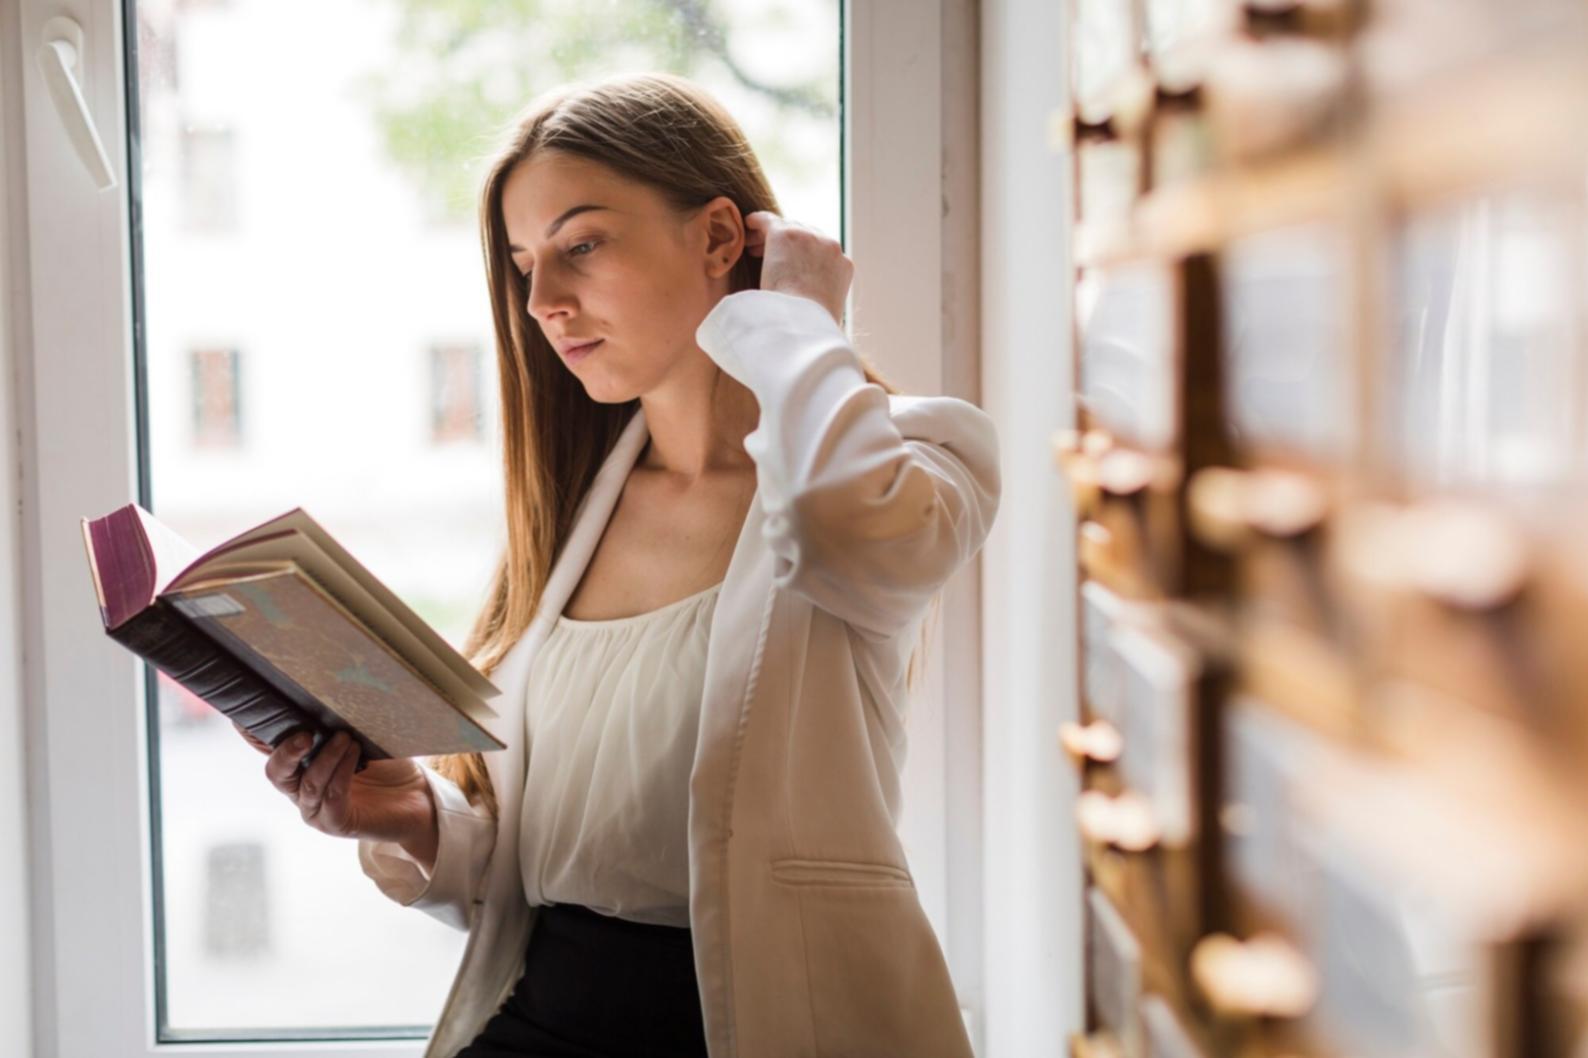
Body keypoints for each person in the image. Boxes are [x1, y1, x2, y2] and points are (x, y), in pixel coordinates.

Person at [235, 71, 1000, 1058]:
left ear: (721, 238)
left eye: (582, 245)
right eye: (523, 264)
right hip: (541, 1021)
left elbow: (835, 523)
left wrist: (802, 325)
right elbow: (568, 875)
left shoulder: (915, 457)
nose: (544, 302)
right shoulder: (573, 514)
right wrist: (419, 815)